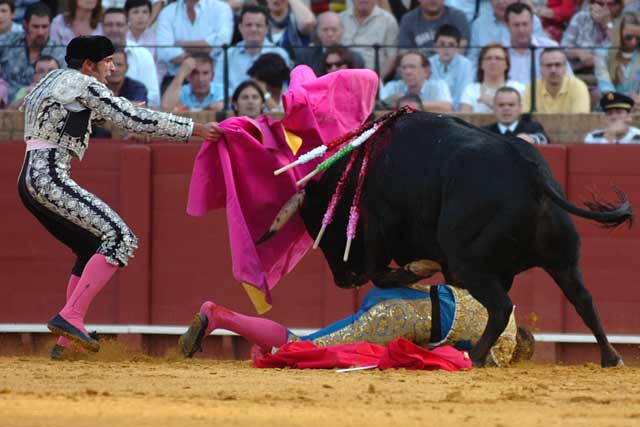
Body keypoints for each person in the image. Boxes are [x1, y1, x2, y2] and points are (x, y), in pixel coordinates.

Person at [16, 35, 222, 358]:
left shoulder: (54, 78)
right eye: (107, 61)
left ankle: (66, 341)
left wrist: (113, 112)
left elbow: (68, 113)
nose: (112, 66)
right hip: (50, 177)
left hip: (29, 180)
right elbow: (131, 119)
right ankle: (71, 317)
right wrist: (194, 129)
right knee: (120, 237)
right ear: (88, 65)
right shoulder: (85, 84)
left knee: (89, 247)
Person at [187, 64, 378, 312]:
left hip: (318, 181)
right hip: (311, 184)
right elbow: (364, 79)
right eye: (245, 97)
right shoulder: (276, 128)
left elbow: (361, 80)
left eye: (253, 96)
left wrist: (310, 93)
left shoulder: (322, 117)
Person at [179, 284, 536, 367]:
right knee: (302, 345)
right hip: (394, 320)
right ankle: (219, 316)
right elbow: (464, 359)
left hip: (389, 294)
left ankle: (229, 321)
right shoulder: (502, 344)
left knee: (311, 341)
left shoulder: (495, 295)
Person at [155, 0, 233, 84]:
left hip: (213, 79)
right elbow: (164, 52)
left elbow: (222, 43)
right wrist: (205, 51)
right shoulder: (167, 12)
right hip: (177, 78)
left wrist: (180, 44)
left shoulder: (221, 8)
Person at [0, 2, 65, 100]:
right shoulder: (7, 43)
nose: (40, 32)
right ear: (25, 24)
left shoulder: (59, 52)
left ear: (50, 25)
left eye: (44, 26)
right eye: (35, 26)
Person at [102, 7, 160, 107]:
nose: (114, 29)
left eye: (119, 25)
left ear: (127, 27)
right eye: (109, 25)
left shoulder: (143, 54)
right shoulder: (91, 54)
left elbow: (153, 98)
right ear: (102, 27)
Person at [503, 2, 569, 86]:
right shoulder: (501, 52)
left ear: (532, 24)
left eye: (525, 24)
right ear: (507, 26)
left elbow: (568, 80)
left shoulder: (550, 47)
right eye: (516, 25)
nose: (521, 30)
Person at [340, 0, 399, 81]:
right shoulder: (340, 19)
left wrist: (377, 80)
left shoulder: (388, 20)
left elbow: (392, 57)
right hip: (343, 79)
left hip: (373, 80)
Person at [380, 50, 453, 112]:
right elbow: (378, 107)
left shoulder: (438, 86)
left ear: (426, 71)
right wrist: (389, 101)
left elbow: (447, 107)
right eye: (404, 67)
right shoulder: (393, 87)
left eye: (412, 67)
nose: (407, 72)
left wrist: (405, 104)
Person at [294, 11, 364, 76]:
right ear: (317, 31)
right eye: (325, 30)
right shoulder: (304, 58)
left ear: (342, 30)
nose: (330, 34)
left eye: (334, 29)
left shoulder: (356, 58)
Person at [459, 43, 524, 113]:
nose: (493, 62)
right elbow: (464, 119)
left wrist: (493, 104)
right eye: (488, 58)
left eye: (498, 58)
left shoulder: (519, 88)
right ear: (481, 64)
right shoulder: (470, 90)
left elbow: (522, 117)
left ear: (506, 65)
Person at [522, 48, 591, 113]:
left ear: (565, 68)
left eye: (558, 65)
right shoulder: (531, 88)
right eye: (548, 65)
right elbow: (524, 120)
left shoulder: (578, 86)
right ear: (540, 68)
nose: (553, 70)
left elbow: (579, 120)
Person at [562, 0, 621, 73]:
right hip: (578, 72)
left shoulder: (622, 21)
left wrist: (607, 24)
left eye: (610, 4)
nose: (605, 8)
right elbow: (563, 47)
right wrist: (578, 52)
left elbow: (620, 49)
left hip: (609, 74)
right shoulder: (580, 18)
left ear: (617, 6)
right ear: (591, 5)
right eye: (600, 4)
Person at [594, 11, 640, 105]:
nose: (633, 42)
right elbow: (606, 88)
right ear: (619, 34)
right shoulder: (602, 54)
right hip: (609, 105)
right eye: (628, 37)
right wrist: (626, 100)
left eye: (638, 38)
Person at [398, 0, 470, 56]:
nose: (433, 0)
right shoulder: (408, 19)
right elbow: (403, 52)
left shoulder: (458, 17)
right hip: (419, 69)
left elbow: (462, 49)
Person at [485, 86, 550, 145]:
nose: (506, 109)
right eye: (501, 105)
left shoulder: (532, 128)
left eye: (511, 105)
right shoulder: (485, 132)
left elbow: (544, 139)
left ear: (520, 108)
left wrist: (533, 139)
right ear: (494, 108)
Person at [429, 24, 473, 111]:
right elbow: (430, 93)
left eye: (451, 44)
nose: (446, 48)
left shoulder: (466, 64)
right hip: (433, 111)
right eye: (442, 44)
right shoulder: (428, 63)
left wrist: (452, 112)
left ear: (457, 47)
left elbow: (464, 93)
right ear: (435, 46)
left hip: (458, 112)